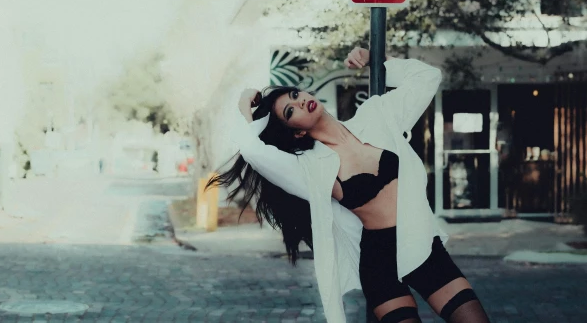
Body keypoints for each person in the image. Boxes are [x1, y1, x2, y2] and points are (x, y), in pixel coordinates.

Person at [207, 47, 490, 323]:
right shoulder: (311, 168)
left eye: (296, 95)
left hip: (422, 246)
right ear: (297, 132)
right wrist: (245, 101)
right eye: (290, 111)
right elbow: (253, 151)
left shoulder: (376, 116)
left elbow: (427, 77)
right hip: (379, 262)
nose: (301, 102)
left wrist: (376, 61)